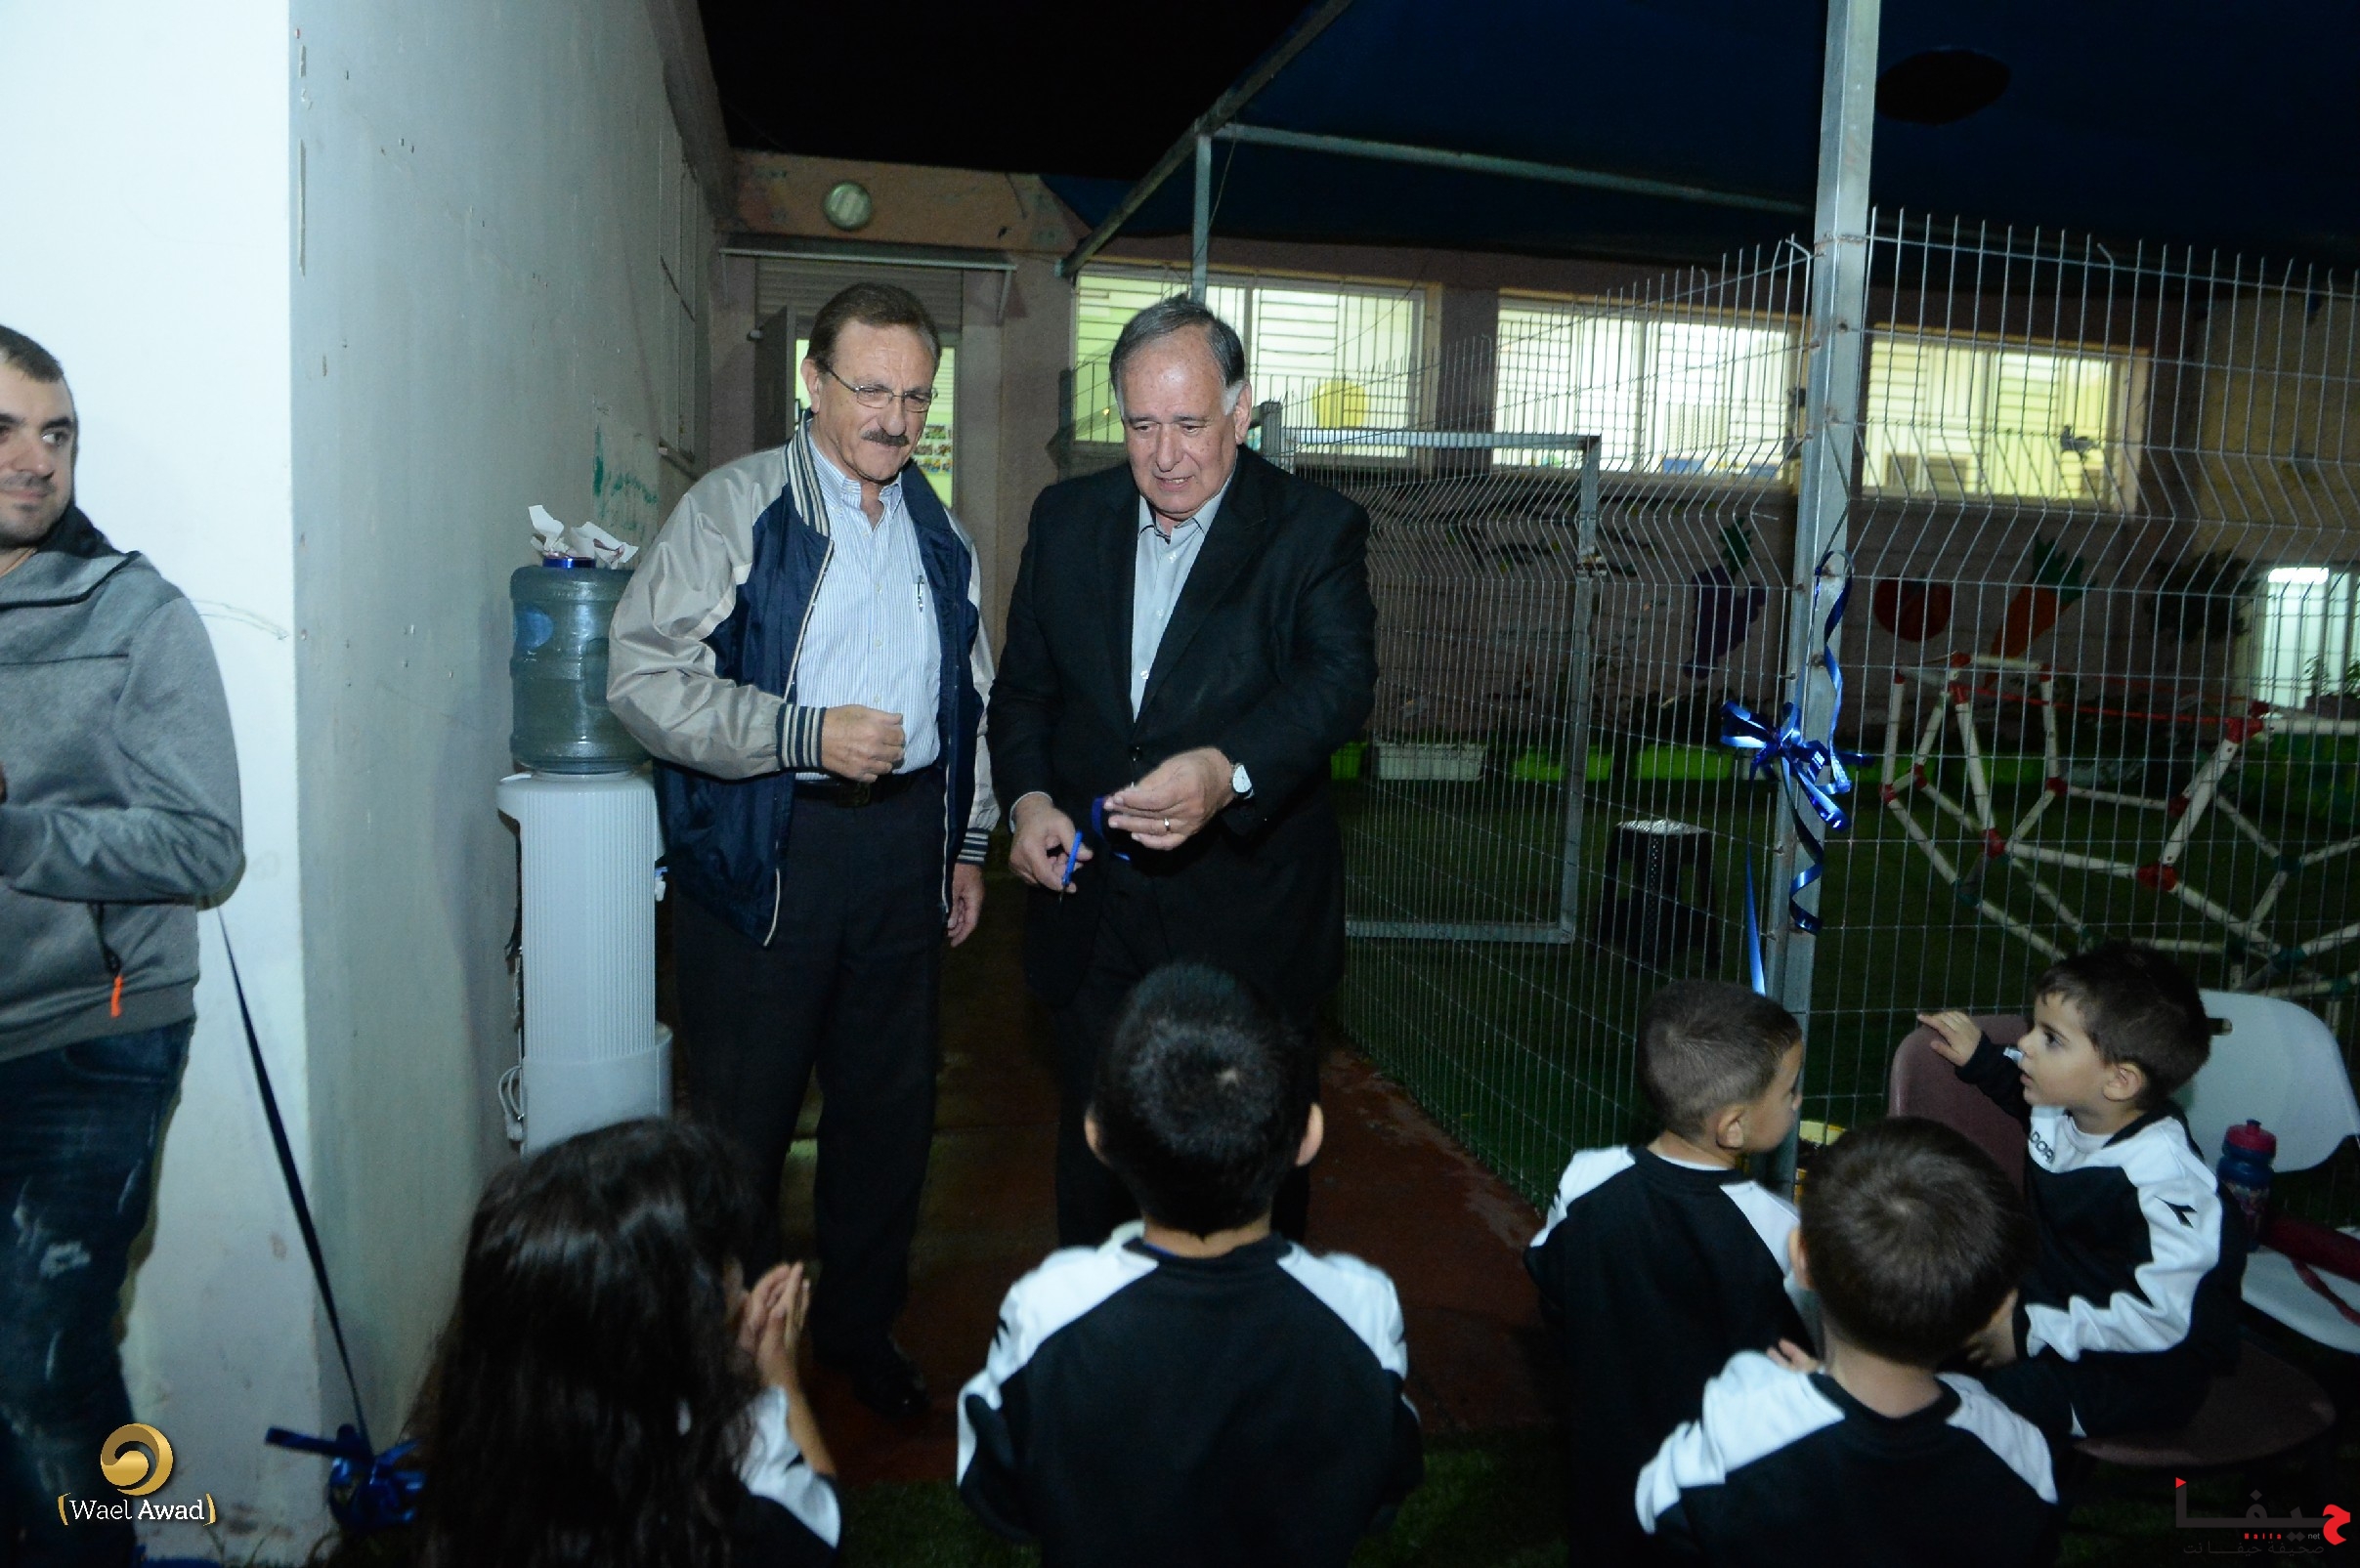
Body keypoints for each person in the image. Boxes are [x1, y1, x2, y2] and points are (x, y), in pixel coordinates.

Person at [609, 282, 997, 1419]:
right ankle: (732, 1350)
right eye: (870, 390)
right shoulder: (736, 509)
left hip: (904, 851)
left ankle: (858, 1332)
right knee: (743, 1126)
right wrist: (799, 735)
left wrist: (967, 838)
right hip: (770, 851)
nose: (895, 418)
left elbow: (969, 697)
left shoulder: (940, 534)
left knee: (888, 1117)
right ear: (812, 381)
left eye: (915, 396)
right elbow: (639, 676)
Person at [989, 296, 1378, 1248]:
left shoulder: (1313, 529)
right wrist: (1028, 802)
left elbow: (1338, 682)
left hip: (1246, 921)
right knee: (1097, 1162)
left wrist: (1228, 771)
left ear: (1241, 413)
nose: (1165, 456)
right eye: (1141, 425)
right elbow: (1025, 690)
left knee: (1250, 1180)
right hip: (1091, 913)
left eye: (1190, 424)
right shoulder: (1066, 519)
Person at [0, 325, 243, 1567]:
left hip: (90, 1040)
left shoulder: (134, 613)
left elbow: (206, 847)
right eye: (5, 430)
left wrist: (15, 836)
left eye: (57, 434)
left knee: (39, 1365)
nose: (35, 459)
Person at [956, 963, 1423, 1567]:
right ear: (1308, 1136)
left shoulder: (1048, 1311)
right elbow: (1387, 1478)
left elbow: (996, 1491)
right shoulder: (1362, 1309)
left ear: (1097, 1138)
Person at [1636, 1119, 2059, 1567]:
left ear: (1801, 1258)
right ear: (1997, 1308)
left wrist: (1796, 1393)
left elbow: (1656, 1507)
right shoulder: (2020, 1451)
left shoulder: (1739, 1427)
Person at [418, 1119, 840, 1568]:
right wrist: (779, 1378)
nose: (737, 1279)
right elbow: (819, 1521)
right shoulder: (709, 1525)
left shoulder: (475, 1486)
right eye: (722, 1262)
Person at [1523, 981, 1810, 1568]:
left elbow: (1551, 1284)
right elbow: (1810, 1358)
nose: (1798, 1101)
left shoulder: (1586, 1179)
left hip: (1608, 1467)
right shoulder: (1782, 1231)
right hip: (1724, 1486)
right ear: (1732, 1127)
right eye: (1789, 1090)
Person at [1919, 941, 2245, 1438]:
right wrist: (1980, 1057)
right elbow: (2018, 1090)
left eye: (2051, 1039)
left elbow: (2161, 1319)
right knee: (1911, 1342)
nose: (2025, 1044)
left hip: (2132, 1373)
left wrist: (2028, 1331)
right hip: (2050, 1313)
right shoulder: (2068, 1105)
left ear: (2119, 1081)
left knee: (1978, 1416)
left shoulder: (2165, 1182)